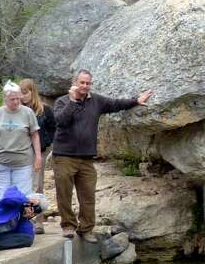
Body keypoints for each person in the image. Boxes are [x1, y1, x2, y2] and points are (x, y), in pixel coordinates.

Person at [52, 70, 153, 239]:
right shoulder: (62, 101)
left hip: (86, 158)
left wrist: (136, 101)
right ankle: (68, 226)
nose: (84, 86)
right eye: (81, 82)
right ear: (74, 82)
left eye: (88, 83)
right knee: (64, 194)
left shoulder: (96, 101)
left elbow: (116, 104)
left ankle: (86, 229)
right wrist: (72, 101)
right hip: (64, 156)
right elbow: (61, 121)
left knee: (88, 196)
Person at [0, 81, 42, 202]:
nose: (15, 102)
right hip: (0, 162)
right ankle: (1, 221)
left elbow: (35, 135)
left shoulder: (28, 113)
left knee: (23, 198)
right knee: (0, 199)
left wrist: (38, 157)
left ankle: (21, 221)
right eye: (12, 99)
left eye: (17, 99)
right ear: (5, 98)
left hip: (23, 164)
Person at [18, 78, 55, 197]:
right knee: (21, 184)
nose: (23, 97)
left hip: (40, 152)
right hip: (21, 152)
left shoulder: (44, 109)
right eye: (21, 93)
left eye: (25, 93)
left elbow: (54, 128)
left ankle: (37, 213)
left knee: (37, 185)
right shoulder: (17, 110)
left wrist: (46, 142)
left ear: (32, 92)